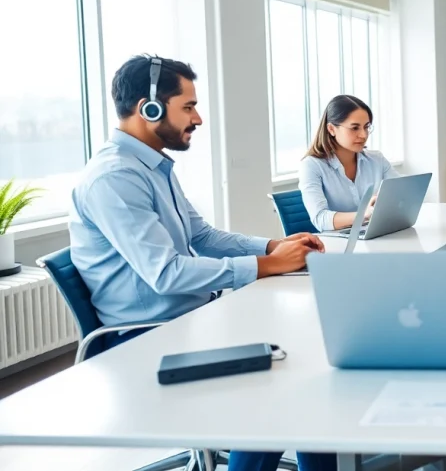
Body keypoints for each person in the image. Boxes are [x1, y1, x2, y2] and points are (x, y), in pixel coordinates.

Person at [68, 55, 336, 471]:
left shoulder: (153, 166)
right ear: (149, 109)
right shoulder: (114, 177)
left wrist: (273, 246)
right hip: (145, 339)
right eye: (188, 106)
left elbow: (203, 236)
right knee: (283, 389)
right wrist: (268, 266)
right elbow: (166, 273)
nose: (199, 118)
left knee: (310, 357)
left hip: (191, 319)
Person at [298, 95, 399, 232]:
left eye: (366, 127)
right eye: (354, 128)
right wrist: (365, 214)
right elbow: (320, 219)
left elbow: (402, 194)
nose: (363, 135)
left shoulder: (377, 159)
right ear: (331, 129)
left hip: (375, 235)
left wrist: (385, 199)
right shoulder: (311, 166)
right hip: (338, 245)